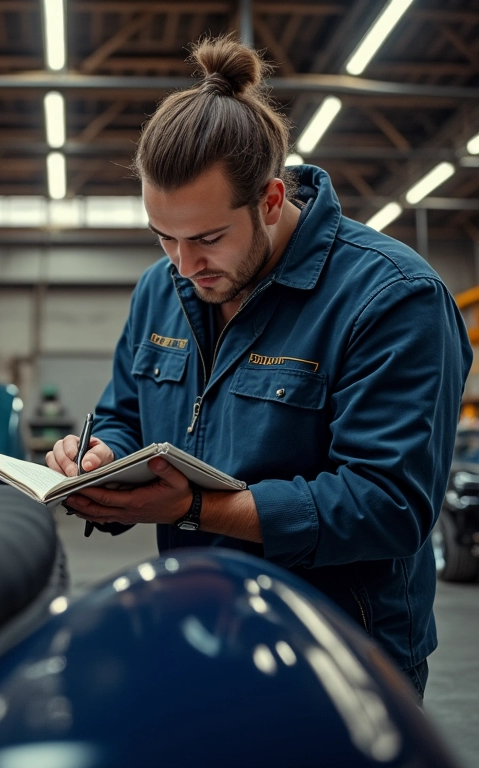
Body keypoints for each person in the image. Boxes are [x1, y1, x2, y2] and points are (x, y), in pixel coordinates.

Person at [46, 34, 472, 700]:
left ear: (272, 201)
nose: (184, 265)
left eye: (208, 238)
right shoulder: (162, 289)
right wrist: (101, 460)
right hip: (195, 626)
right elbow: (126, 415)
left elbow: (389, 504)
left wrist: (196, 507)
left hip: (337, 656)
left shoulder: (391, 298)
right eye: (164, 237)